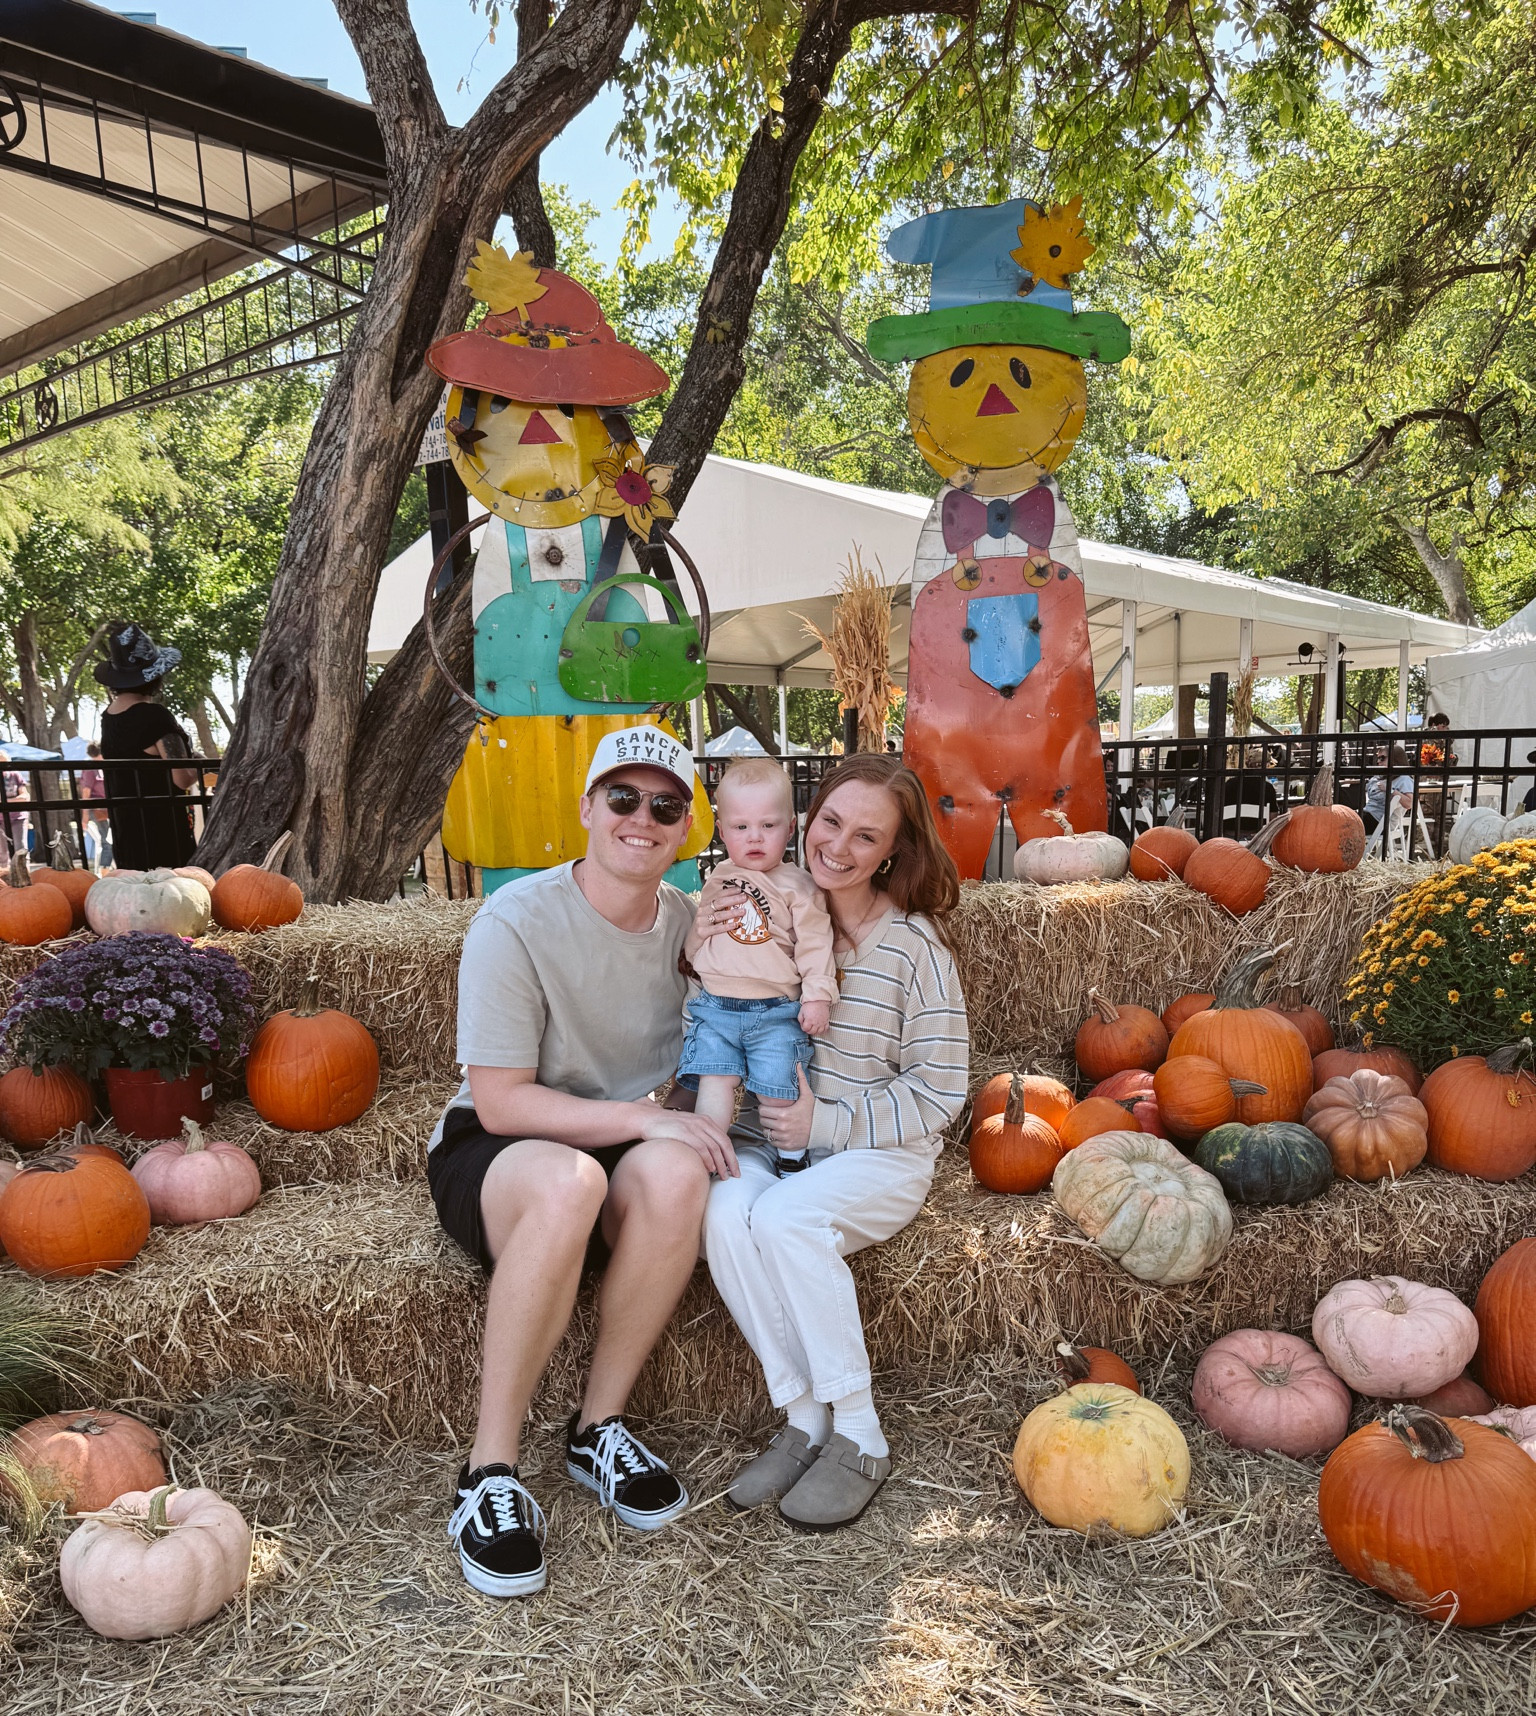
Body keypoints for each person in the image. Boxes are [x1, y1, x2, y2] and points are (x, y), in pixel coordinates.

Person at [428, 725, 735, 1600]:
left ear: (685, 830)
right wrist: (638, 1120)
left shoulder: (692, 930)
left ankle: (597, 1428)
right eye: (623, 799)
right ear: (588, 808)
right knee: (573, 1181)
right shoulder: (515, 920)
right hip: (504, 1150)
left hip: (626, 1142)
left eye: (665, 806)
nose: (643, 818)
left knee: (679, 1174)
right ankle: (488, 1474)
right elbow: (501, 1101)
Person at [700, 754, 968, 1530]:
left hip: (878, 1154)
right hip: (778, 1142)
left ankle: (860, 1431)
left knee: (786, 1220)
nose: (839, 847)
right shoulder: (768, 909)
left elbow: (940, 1090)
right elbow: (713, 996)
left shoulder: (914, 950)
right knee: (722, 1211)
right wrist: (703, 939)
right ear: (803, 822)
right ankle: (805, 1417)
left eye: (866, 836)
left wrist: (830, 1126)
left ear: (892, 852)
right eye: (830, 823)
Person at [679, 759, 837, 1157]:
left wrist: (818, 996)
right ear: (722, 831)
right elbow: (703, 933)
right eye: (741, 827)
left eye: (768, 826)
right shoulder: (717, 877)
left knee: (777, 1088)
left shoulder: (799, 887)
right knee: (715, 1082)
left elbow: (816, 944)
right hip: (715, 1007)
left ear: (790, 828)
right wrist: (692, 951)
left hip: (774, 1011)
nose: (755, 837)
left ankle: (790, 1158)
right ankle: (707, 1156)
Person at [94, 623, 198, 870]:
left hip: (125, 829)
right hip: (163, 830)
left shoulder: (108, 717)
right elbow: (182, 778)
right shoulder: (155, 716)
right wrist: (198, 764)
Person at [1363, 744, 1415, 841]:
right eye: (1378, 758)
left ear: (1395, 759)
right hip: (1369, 815)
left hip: (1381, 822)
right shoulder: (1381, 776)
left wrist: (1390, 789)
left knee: (1343, 824)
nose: (1378, 762)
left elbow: (1409, 803)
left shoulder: (1404, 779)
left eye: (1382, 758)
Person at [78, 743, 112, 871]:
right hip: (98, 809)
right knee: (107, 840)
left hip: (109, 808)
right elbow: (86, 792)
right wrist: (85, 815)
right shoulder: (90, 768)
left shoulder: (104, 766)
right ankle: (105, 870)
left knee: (112, 839)